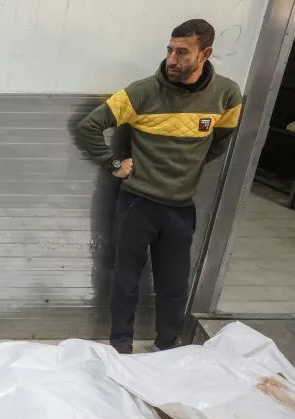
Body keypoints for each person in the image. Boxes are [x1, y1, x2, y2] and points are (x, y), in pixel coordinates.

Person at [76, 19, 242, 354]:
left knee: (175, 286)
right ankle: (120, 345)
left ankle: (169, 347)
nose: (172, 59)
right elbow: (88, 127)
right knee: (125, 280)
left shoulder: (227, 94)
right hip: (138, 204)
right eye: (169, 50)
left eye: (183, 52)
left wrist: (187, 168)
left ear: (205, 54)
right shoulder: (142, 92)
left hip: (181, 208)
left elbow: (221, 140)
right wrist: (113, 165)